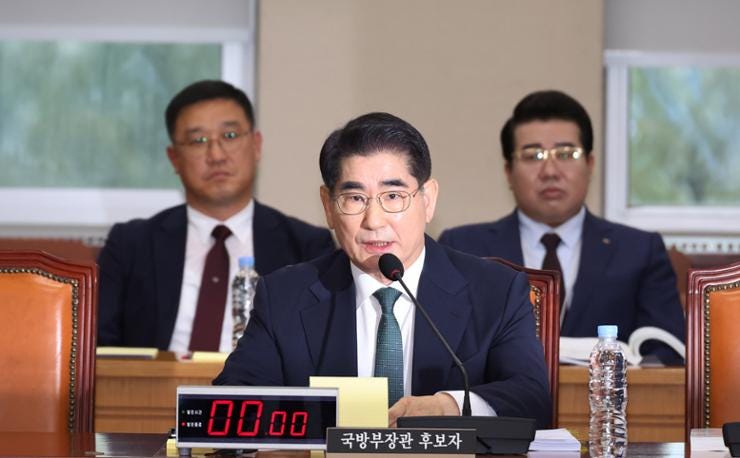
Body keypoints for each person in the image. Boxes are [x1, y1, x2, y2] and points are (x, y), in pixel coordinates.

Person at [214, 112, 551, 428]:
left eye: (393, 196)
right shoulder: (285, 296)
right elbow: (231, 403)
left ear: (428, 199)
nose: (374, 221)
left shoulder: (495, 292)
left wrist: (449, 406)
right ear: (328, 208)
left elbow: (531, 397)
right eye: (355, 199)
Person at [439, 90, 685, 365]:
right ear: (508, 170)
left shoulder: (639, 251)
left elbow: (669, 351)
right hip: (499, 405)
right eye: (533, 155)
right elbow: (441, 348)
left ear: (590, 164)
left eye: (566, 154)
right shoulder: (462, 248)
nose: (550, 171)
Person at [98, 80, 335, 352]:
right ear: (174, 158)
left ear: (256, 145)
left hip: (261, 392)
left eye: (230, 136)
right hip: (153, 391)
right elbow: (99, 351)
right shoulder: (130, 245)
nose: (216, 155)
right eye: (198, 141)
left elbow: (321, 350)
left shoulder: (307, 248)